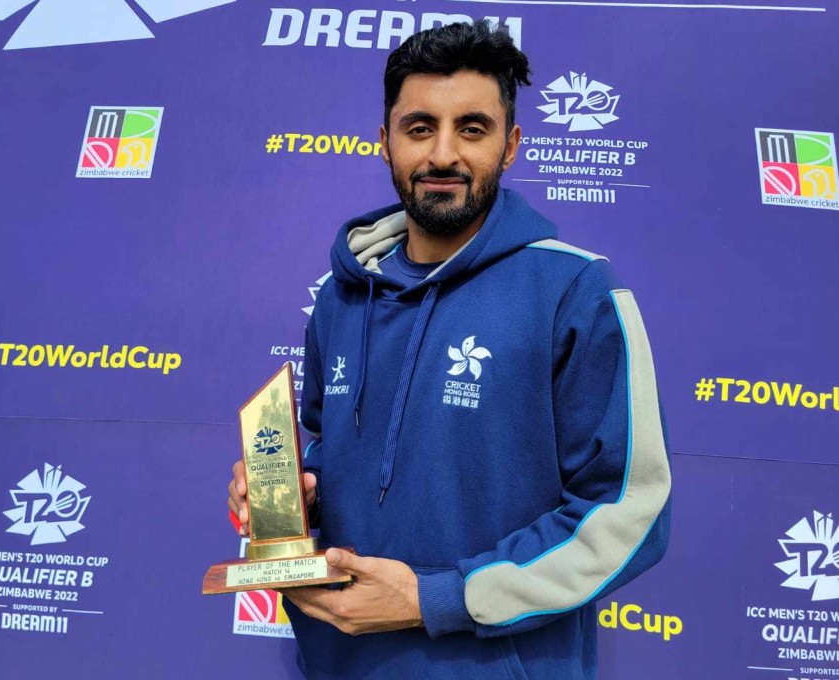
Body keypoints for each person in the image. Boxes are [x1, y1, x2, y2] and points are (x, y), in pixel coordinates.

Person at [228, 19, 671, 680]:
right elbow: (331, 447)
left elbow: (628, 512)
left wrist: (437, 598)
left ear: (511, 143)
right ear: (383, 141)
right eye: (418, 128)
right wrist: (291, 492)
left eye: (471, 128)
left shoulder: (576, 290)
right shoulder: (343, 297)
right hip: (340, 663)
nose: (442, 155)